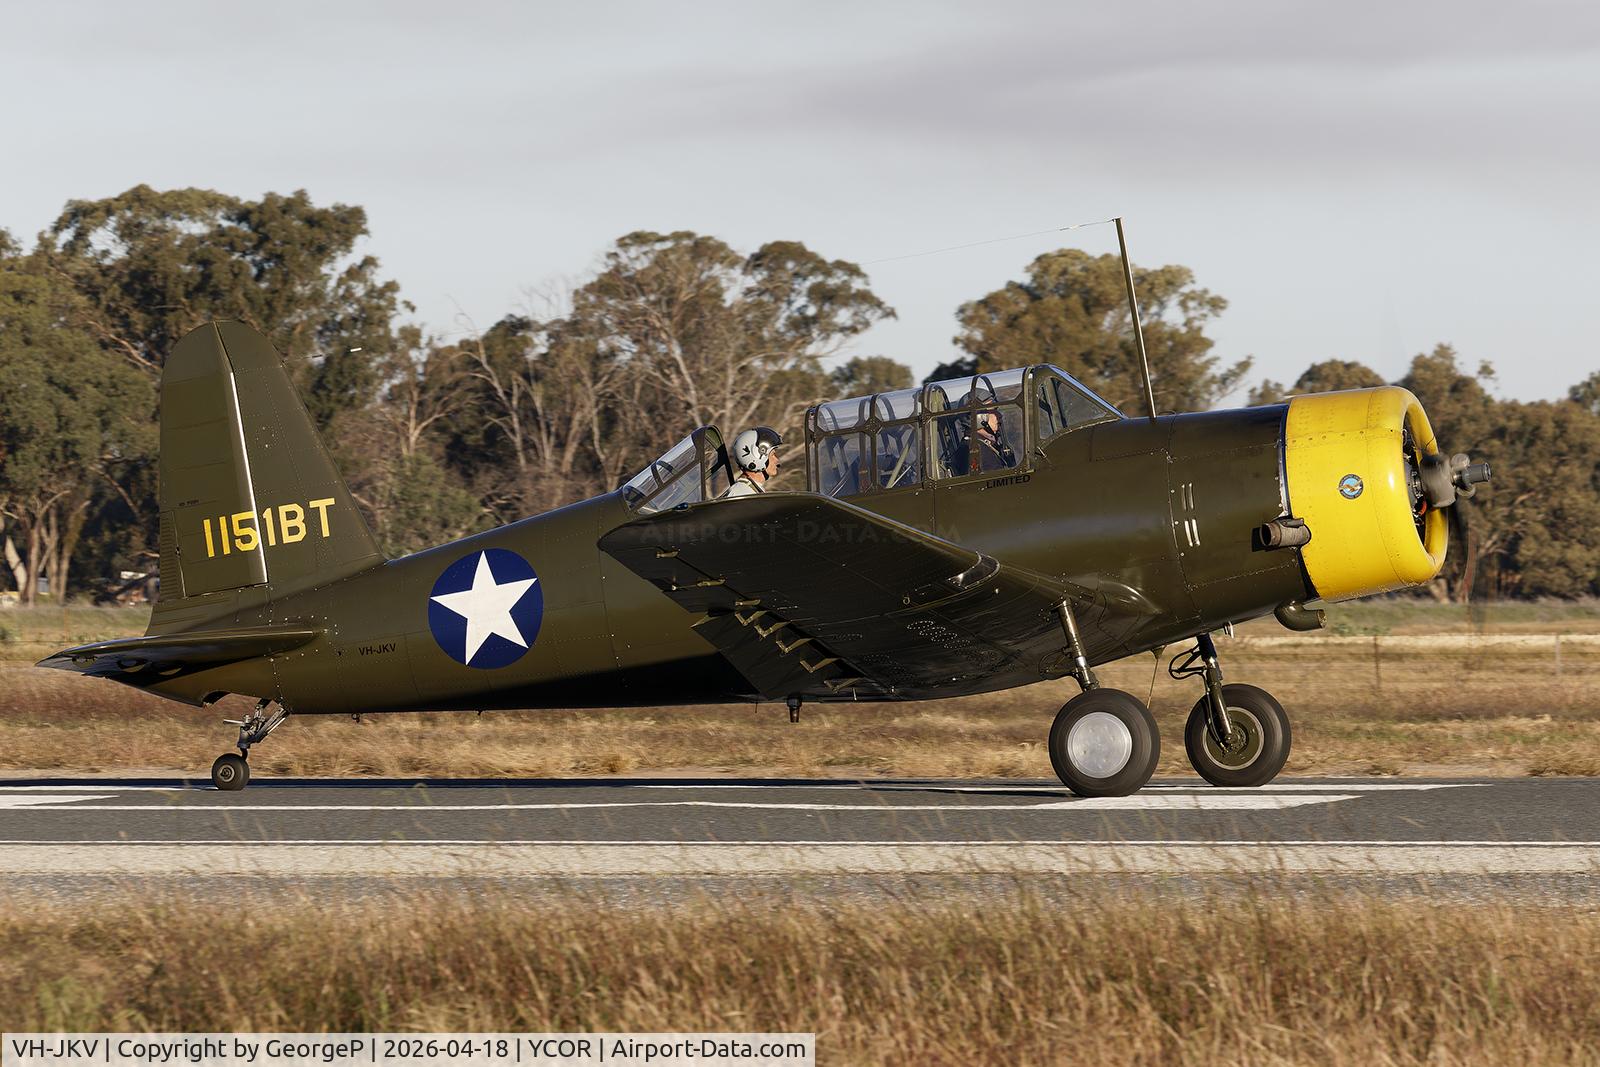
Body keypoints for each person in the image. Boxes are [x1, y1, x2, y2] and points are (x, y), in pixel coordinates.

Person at [723, 426, 783, 497]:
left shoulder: (749, 490)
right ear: (757, 456)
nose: (777, 460)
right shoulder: (742, 492)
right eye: (773, 454)